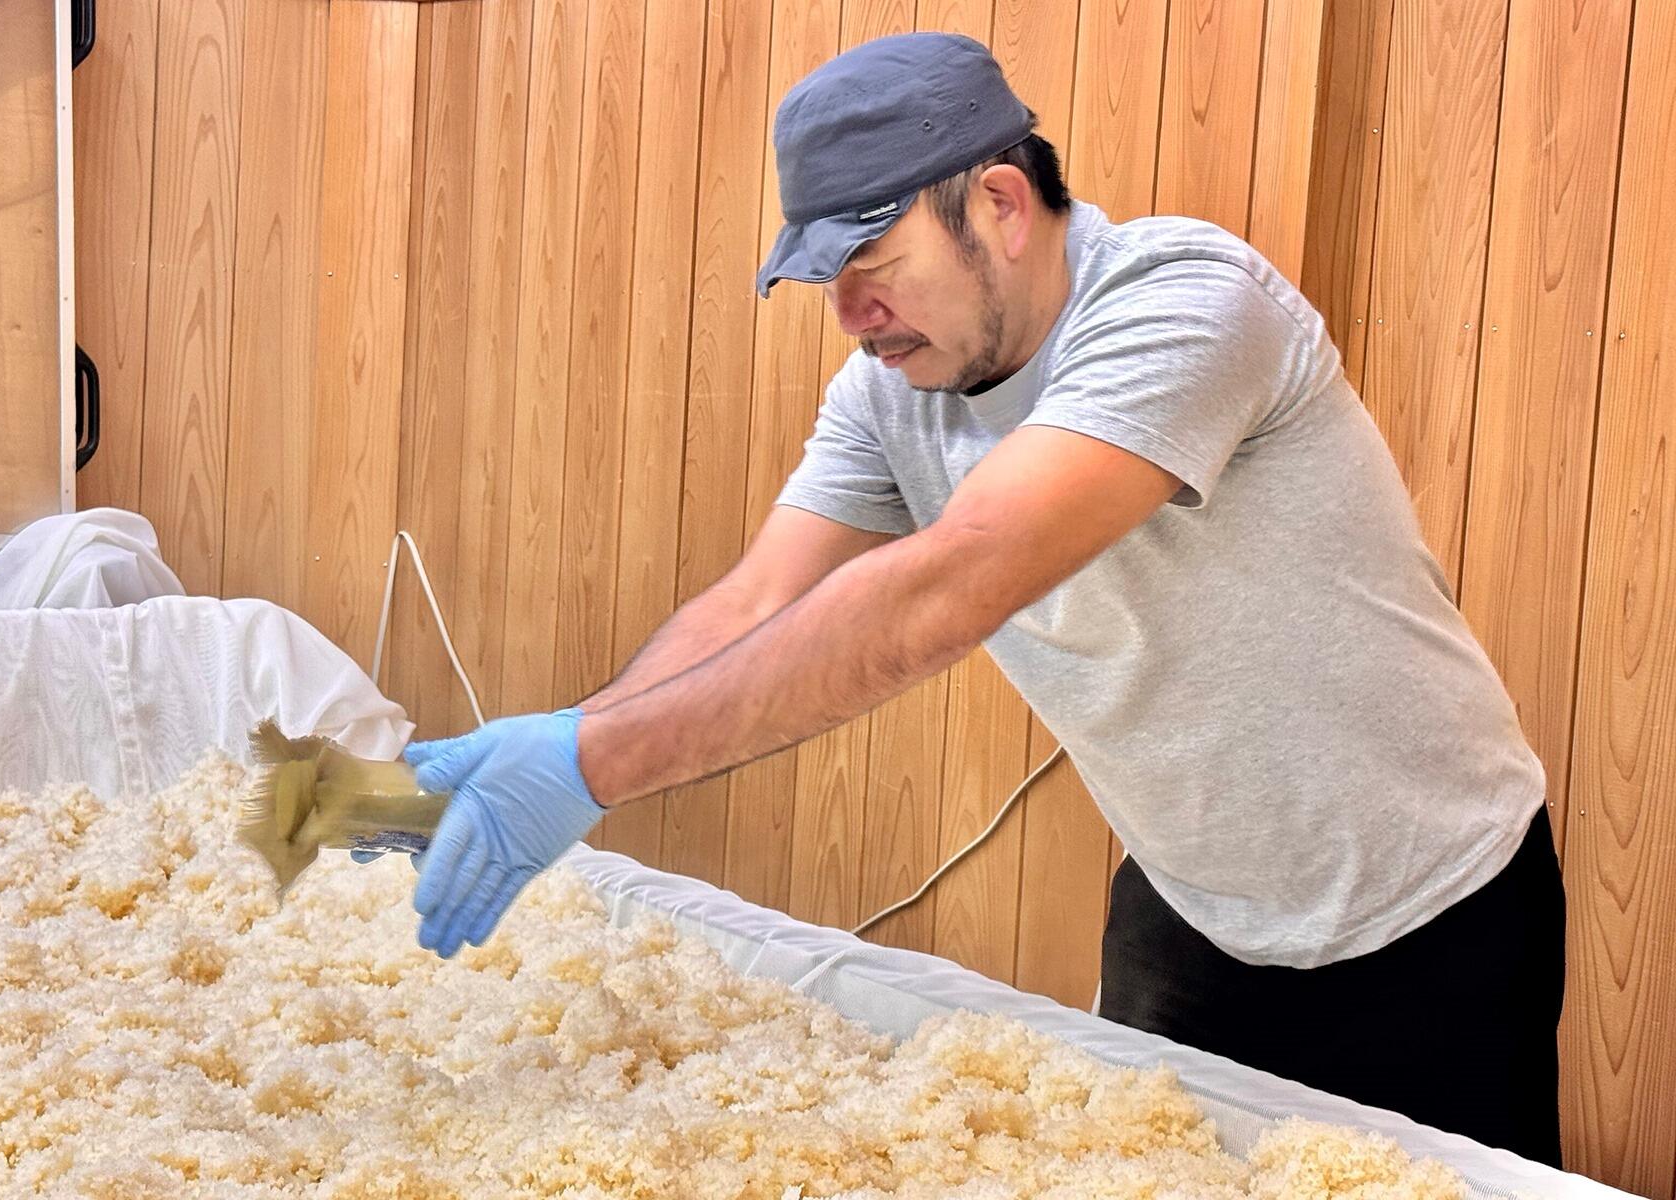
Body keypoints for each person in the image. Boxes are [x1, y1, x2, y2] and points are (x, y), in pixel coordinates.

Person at [382, 32, 1564, 1163]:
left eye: (874, 272)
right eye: (829, 284)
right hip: (1190, 908)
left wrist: (594, 763)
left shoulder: (1184, 302)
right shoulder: (891, 391)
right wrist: (557, 747)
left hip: (1429, 909)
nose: (852, 318)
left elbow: (957, 581)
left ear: (1000, 204)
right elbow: (754, 605)